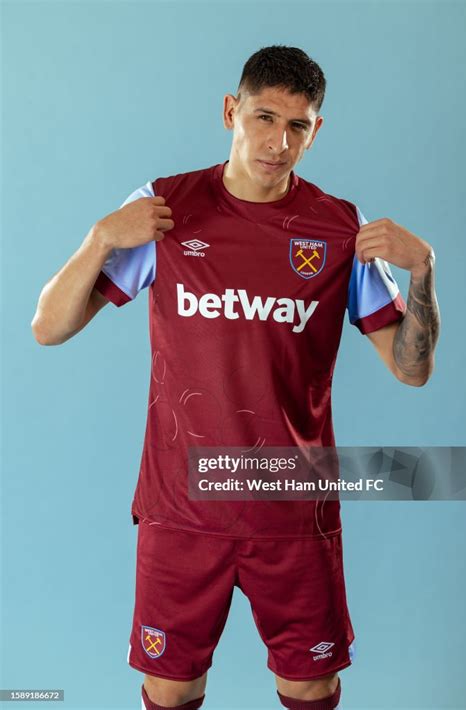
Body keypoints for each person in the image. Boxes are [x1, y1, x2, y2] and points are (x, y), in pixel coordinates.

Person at [31, 45, 440, 710]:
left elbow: (411, 369)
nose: (277, 142)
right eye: (262, 117)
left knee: (311, 683)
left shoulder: (340, 229)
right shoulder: (165, 209)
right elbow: (47, 327)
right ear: (231, 111)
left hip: (292, 509)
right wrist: (101, 237)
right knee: (170, 686)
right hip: (181, 509)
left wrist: (424, 271)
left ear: (316, 132)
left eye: (298, 126)